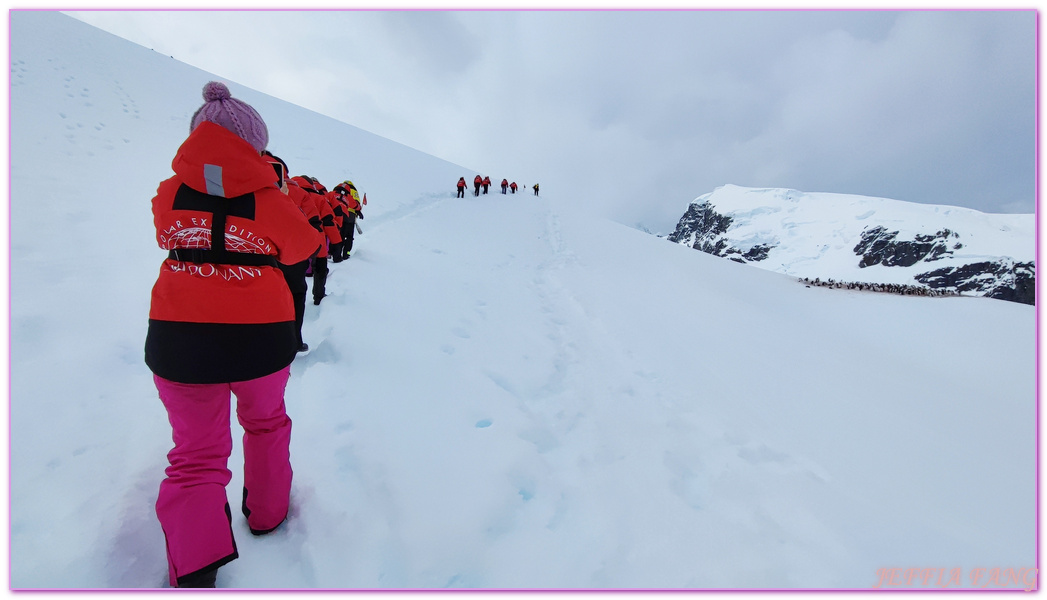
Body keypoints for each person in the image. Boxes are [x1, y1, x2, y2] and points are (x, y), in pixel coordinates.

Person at [144, 81, 323, 588]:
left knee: (196, 453)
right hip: (261, 336)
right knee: (265, 423)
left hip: (180, 337)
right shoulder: (269, 196)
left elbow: (165, 230)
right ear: (254, 143)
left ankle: (196, 565)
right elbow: (301, 248)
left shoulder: (168, 191)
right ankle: (266, 515)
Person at [262, 151, 314, 353]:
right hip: (288, 255)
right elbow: (308, 229)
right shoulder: (299, 193)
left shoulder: (227, 185)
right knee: (295, 295)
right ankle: (293, 342)